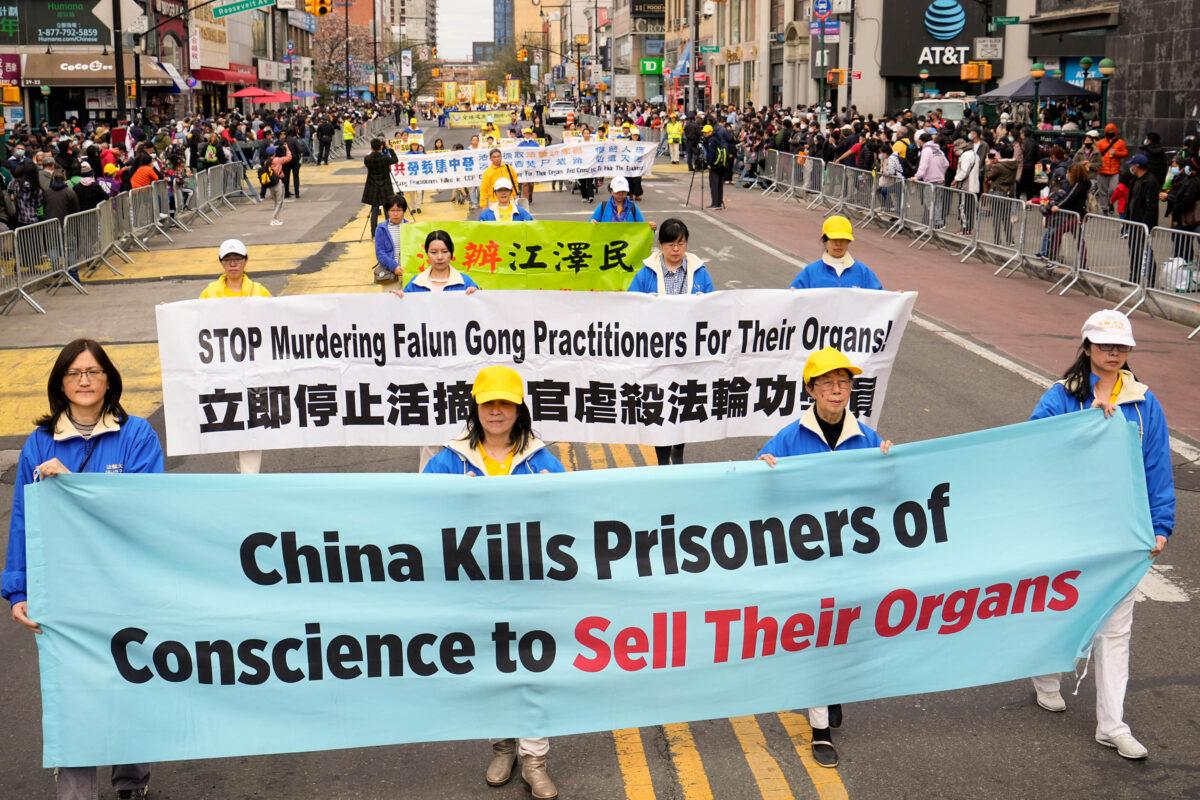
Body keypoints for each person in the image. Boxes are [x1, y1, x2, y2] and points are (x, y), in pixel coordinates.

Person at [3, 338, 164, 800]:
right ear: (60, 383)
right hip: (65, 590)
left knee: (129, 681)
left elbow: (147, 506)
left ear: (109, 378)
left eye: (93, 371)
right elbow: (23, 519)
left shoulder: (137, 436)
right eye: (74, 373)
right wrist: (19, 591)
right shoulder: (39, 443)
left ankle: (132, 780)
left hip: (125, 587)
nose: (85, 380)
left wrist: (77, 486)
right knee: (71, 694)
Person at [1028, 310, 1173, 761]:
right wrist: (1085, 423)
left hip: (1121, 530)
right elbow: (1033, 450)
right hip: (1068, 527)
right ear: (1087, 347)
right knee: (1061, 607)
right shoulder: (1059, 397)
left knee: (1115, 629)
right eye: (1105, 345)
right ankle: (1045, 673)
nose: (1114, 353)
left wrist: (1160, 524)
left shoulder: (1145, 402)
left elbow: (1156, 468)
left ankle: (1112, 724)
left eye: (1121, 347)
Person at [422, 364, 565, 799]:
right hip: (474, 588)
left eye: (505, 402)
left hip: (530, 587)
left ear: (519, 408)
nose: (496, 412)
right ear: (476, 408)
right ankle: (503, 746)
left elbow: (572, 514)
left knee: (534, 671)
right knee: (489, 667)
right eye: (489, 403)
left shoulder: (543, 460)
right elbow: (416, 510)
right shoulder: (448, 459)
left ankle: (535, 758)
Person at [756, 345, 892, 768]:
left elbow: (889, 492)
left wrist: (892, 461)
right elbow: (754, 485)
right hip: (808, 559)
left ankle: (831, 691)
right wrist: (762, 466)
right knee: (820, 637)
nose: (837, 390)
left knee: (845, 635)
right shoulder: (790, 438)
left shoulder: (867, 437)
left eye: (844, 382)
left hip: (853, 557)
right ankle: (820, 728)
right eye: (828, 383)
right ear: (811, 389)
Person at [627, 218, 714, 466]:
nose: (676, 249)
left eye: (681, 243)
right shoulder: (645, 274)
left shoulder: (699, 272)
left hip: (688, 356)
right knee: (660, 408)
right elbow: (629, 306)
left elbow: (714, 307)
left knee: (683, 404)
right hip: (656, 357)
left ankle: (679, 449)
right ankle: (663, 459)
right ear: (661, 245)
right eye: (670, 244)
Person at [199, 239, 270, 474]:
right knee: (233, 424)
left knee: (253, 423)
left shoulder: (260, 292)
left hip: (254, 371)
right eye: (228, 260)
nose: (232, 264)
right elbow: (195, 323)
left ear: (246, 261)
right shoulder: (209, 293)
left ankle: (250, 480)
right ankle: (243, 473)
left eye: (237, 259)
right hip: (224, 372)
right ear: (221, 263)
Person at [789, 215, 883, 289]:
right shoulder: (811, 272)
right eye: (834, 239)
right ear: (825, 241)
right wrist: (792, 294)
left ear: (849, 241)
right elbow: (793, 298)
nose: (838, 243)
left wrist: (894, 299)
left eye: (843, 239)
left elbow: (880, 300)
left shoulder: (862, 272)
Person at [400, 229, 481, 294]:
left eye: (445, 251)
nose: (440, 257)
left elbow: (480, 309)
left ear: (451, 253)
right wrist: (397, 298)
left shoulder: (465, 282)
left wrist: (477, 294)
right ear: (427, 254)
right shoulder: (416, 283)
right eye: (434, 252)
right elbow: (404, 308)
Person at [1125, 153, 1159, 286]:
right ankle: (1133, 277)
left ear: (1137, 166)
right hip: (1134, 221)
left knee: (1145, 250)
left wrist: (1146, 224)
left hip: (1143, 223)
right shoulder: (1135, 180)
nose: (1131, 167)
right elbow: (1131, 201)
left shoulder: (1150, 181)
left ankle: (1150, 278)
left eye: (1132, 164)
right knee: (1133, 250)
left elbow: (1151, 206)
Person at [362, 137, 398, 232]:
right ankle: (388, 230)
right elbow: (395, 159)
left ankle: (374, 233)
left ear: (371, 147)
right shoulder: (385, 158)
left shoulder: (367, 159)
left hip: (373, 186)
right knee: (387, 208)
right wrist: (390, 149)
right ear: (381, 146)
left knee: (374, 210)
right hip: (385, 186)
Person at [1095, 123, 1128, 216]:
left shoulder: (1120, 142)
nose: (1110, 133)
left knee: (1113, 190)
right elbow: (1096, 155)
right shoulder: (1100, 143)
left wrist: (1116, 153)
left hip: (1114, 171)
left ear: (1115, 132)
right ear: (1105, 132)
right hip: (1102, 170)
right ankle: (1104, 208)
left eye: (1112, 132)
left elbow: (1125, 153)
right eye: (1108, 132)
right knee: (1102, 191)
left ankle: (1110, 202)